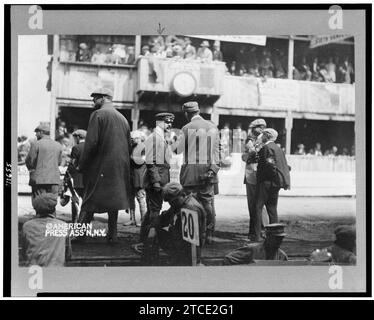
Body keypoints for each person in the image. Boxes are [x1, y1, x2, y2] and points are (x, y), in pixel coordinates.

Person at [77, 88, 132, 243]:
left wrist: (82, 165)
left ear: (102, 98)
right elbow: (128, 146)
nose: (93, 102)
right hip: (119, 169)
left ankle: (80, 235)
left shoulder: (98, 115)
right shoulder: (123, 118)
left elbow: (91, 144)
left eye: (94, 98)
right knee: (112, 203)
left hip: (100, 167)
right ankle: (112, 236)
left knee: (88, 201)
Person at [176, 101, 220, 244]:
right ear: (199, 111)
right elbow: (217, 152)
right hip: (207, 172)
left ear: (187, 113)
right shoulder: (213, 127)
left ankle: (192, 236)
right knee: (208, 204)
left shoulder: (186, 128)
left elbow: (178, 150)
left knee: (190, 203)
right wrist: (213, 170)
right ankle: (209, 235)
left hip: (190, 174)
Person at [143, 182, 207, 266]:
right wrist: (153, 227)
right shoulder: (179, 203)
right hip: (179, 241)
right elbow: (163, 217)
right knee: (150, 230)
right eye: (170, 202)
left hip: (187, 249)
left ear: (182, 195)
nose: (171, 204)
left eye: (172, 201)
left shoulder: (190, 208)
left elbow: (191, 243)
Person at [139, 113, 175, 264]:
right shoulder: (154, 138)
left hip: (159, 180)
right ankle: (150, 243)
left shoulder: (160, 137)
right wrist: (156, 182)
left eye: (170, 123)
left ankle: (145, 238)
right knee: (155, 211)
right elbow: (150, 162)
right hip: (156, 182)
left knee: (152, 210)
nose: (169, 125)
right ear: (159, 122)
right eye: (167, 122)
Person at [254, 128, 290, 241]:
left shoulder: (267, 148)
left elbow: (269, 165)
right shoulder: (278, 148)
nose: (261, 136)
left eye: (263, 134)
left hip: (266, 182)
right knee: (272, 209)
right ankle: (274, 235)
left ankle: (256, 236)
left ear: (267, 136)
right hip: (276, 183)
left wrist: (263, 178)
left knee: (257, 208)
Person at [21, 193, 71, 267]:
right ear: (54, 209)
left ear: (36, 209)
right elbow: (68, 255)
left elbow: (24, 253)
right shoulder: (63, 226)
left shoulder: (27, 226)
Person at [242, 119, 266, 241]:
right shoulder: (250, 140)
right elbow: (244, 156)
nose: (261, 129)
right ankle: (255, 230)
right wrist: (249, 155)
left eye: (262, 127)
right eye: (259, 127)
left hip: (258, 175)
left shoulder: (263, 141)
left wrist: (253, 153)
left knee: (258, 205)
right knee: (253, 205)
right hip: (250, 175)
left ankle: (260, 229)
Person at [25, 123, 62, 200]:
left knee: (39, 202)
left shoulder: (36, 144)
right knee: (52, 202)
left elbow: (30, 161)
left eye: (36, 132)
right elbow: (59, 162)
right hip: (54, 179)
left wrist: (32, 168)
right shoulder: (58, 145)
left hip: (39, 180)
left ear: (41, 132)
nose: (35, 135)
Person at [224, 224, 288, 265]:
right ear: (267, 237)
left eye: (281, 238)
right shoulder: (252, 250)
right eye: (276, 238)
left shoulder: (282, 256)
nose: (279, 241)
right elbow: (228, 259)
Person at [124, 130, 147, 227]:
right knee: (130, 198)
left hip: (140, 177)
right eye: (132, 139)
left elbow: (141, 161)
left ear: (140, 138)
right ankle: (132, 219)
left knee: (140, 199)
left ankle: (143, 220)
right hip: (132, 176)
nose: (133, 140)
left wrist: (131, 157)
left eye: (135, 138)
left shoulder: (144, 148)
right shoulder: (132, 147)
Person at [65, 129, 86, 222]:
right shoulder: (91, 147)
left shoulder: (76, 148)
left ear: (78, 137)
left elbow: (73, 164)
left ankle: (76, 221)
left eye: (74, 138)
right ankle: (85, 219)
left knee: (75, 199)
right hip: (90, 180)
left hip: (78, 179)